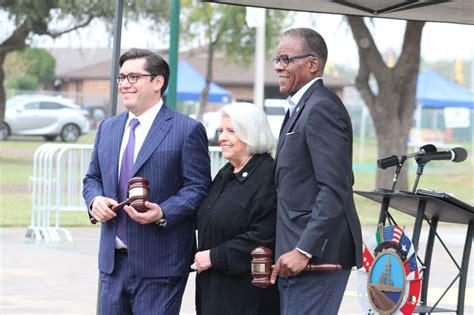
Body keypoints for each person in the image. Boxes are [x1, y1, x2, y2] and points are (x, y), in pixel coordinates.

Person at [82, 48, 211, 315]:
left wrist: (163, 211)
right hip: (112, 264)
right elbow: (92, 178)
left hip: (160, 265)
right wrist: (95, 200)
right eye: (121, 77)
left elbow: (198, 187)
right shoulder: (108, 128)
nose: (125, 84)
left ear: (158, 82)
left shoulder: (186, 130)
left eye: (133, 77)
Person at [270, 28, 363, 314]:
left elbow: (335, 187)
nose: (278, 67)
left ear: (312, 64)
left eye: (286, 59)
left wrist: (303, 250)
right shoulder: (300, 107)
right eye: (276, 60)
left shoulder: (322, 108)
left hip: (316, 258)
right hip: (293, 257)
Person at [193, 102, 280, 315]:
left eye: (231, 131)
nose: (222, 138)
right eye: (222, 131)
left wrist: (215, 257)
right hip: (214, 289)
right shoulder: (226, 173)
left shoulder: (268, 176)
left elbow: (265, 235)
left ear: (251, 133)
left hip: (247, 295)